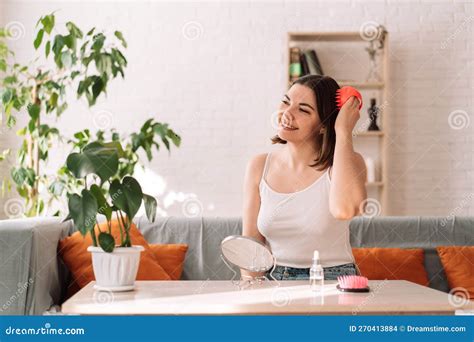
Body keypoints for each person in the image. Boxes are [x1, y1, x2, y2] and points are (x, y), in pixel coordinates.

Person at [242, 75, 367, 281]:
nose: (287, 113)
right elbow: (252, 243)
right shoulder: (258, 166)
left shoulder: (346, 164)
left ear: (324, 125)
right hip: (275, 279)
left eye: (303, 109)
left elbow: (345, 209)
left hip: (334, 279)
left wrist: (343, 131)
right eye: (286, 102)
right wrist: (249, 291)